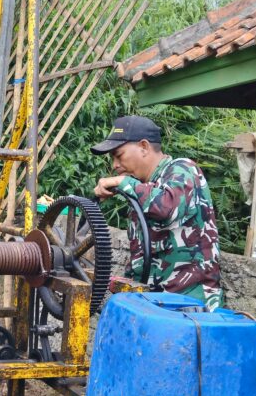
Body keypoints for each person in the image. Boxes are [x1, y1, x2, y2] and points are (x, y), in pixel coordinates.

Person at [92, 115, 223, 310]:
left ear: (144, 147)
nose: (114, 165)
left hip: (190, 308)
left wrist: (123, 183)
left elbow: (167, 207)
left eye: (118, 155)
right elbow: (143, 257)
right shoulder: (143, 188)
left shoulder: (183, 169)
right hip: (156, 306)